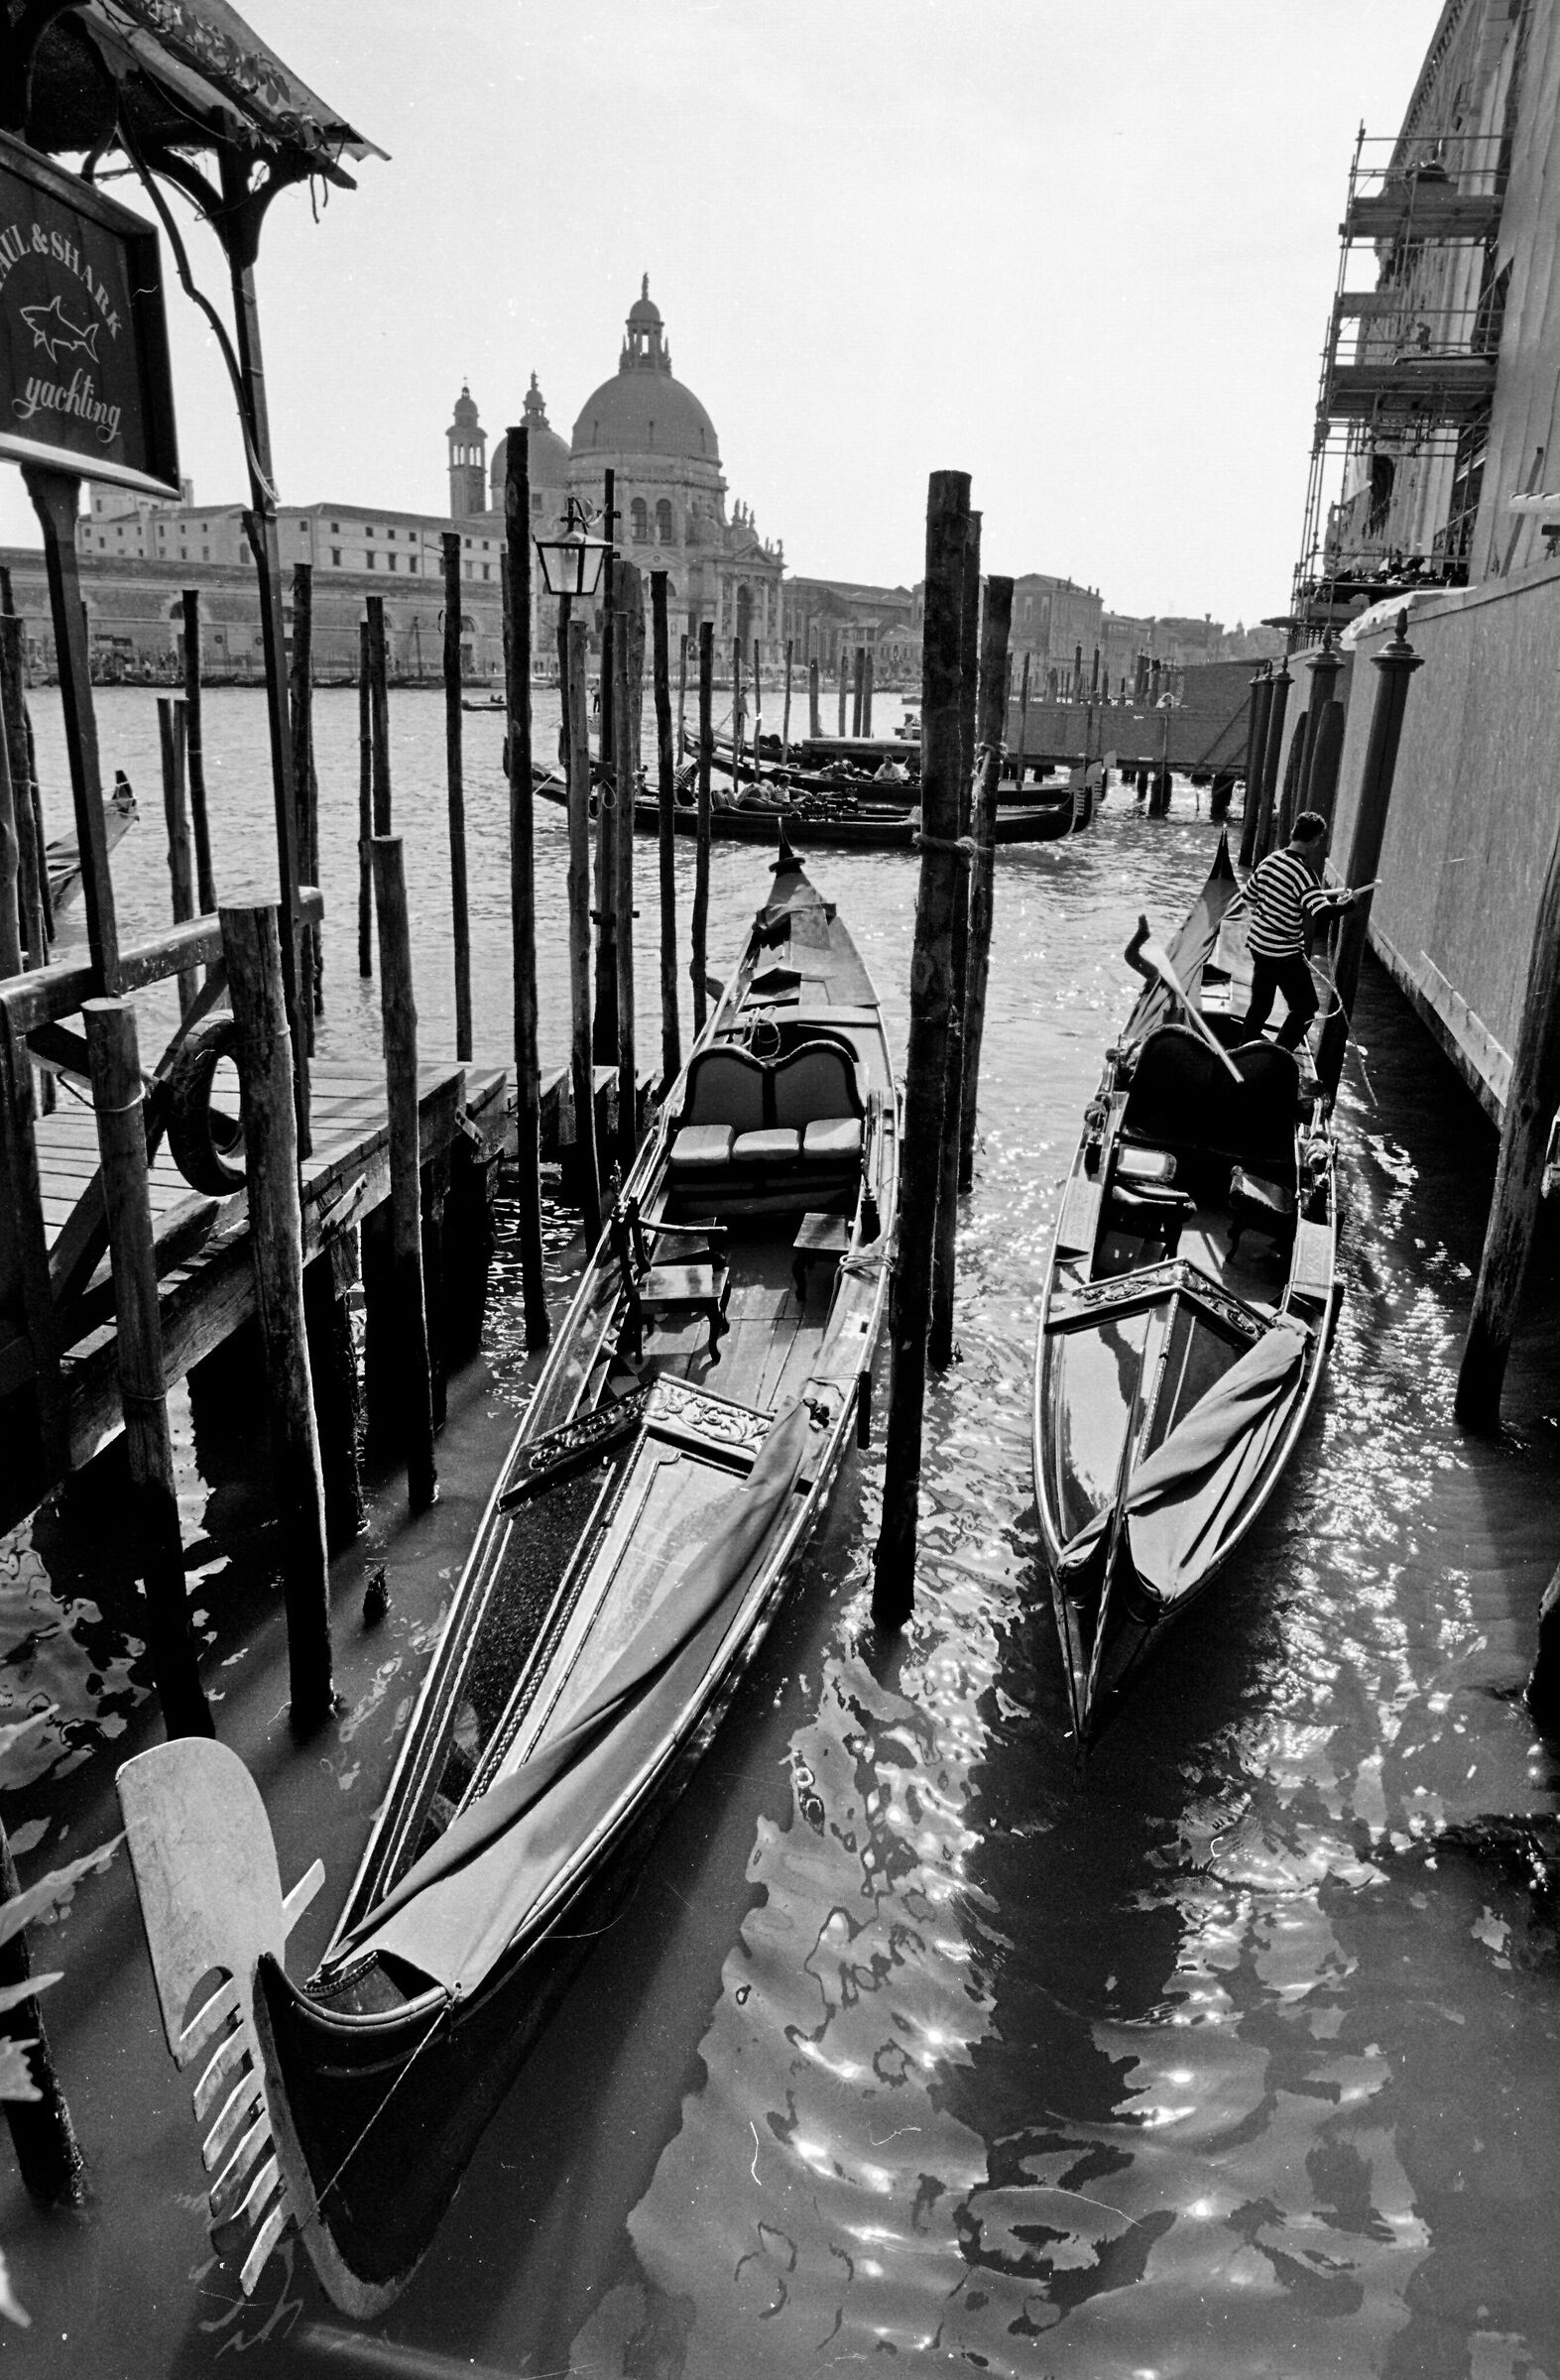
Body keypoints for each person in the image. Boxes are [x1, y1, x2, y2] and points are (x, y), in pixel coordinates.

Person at [1232, 809, 1358, 1052]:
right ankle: (1279, 1055)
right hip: (1283, 953)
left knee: (1260, 1004)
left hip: (1259, 945)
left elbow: (1249, 895)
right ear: (1315, 840)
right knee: (1306, 1008)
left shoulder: (1271, 860)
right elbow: (1322, 912)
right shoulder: (1305, 874)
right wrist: (1348, 905)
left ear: (1294, 833)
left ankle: (1243, 1050)